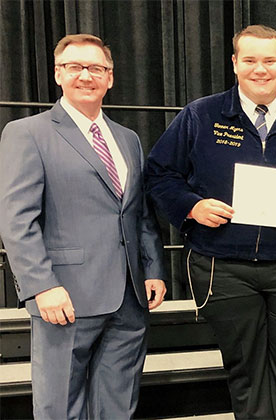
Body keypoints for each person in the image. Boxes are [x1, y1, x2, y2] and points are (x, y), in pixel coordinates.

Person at [144, 25, 276, 419]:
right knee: (246, 373)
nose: (259, 69)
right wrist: (192, 207)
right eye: (249, 60)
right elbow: (160, 175)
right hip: (222, 267)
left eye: (269, 60)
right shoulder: (201, 115)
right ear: (235, 64)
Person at [0, 34, 167, 419]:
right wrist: (41, 286)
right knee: (59, 405)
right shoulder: (28, 134)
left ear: (110, 78)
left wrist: (153, 267)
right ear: (58, 74)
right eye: (75, 67)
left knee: (118, 405)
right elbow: (16, 219)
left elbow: (139, 213)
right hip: (65, 297)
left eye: (96, 68)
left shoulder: (128, 139)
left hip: (129, 299)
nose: (86, 76)